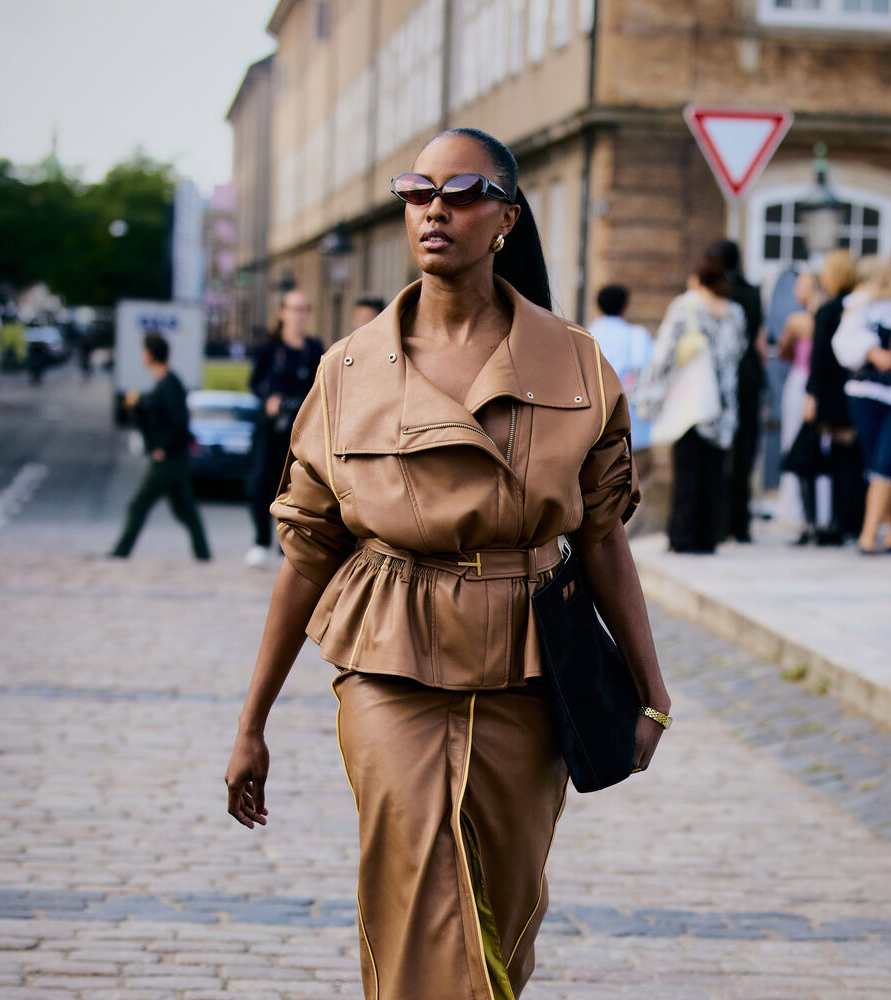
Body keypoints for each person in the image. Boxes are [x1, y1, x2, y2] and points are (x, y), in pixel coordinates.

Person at [224, 127, 670, 1000]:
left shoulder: (576, 363)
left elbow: (606, 536)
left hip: (531, 667)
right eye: (417, 190)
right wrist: (252, 723)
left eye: (463, 192)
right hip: (391, 662)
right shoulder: (348, 370)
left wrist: (651, 690)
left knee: (503, 907)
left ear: (505, 216)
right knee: (419, 891)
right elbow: (307, 552)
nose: (435, 208)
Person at [638, 246, 745, 553]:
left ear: (697, 277)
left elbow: (664, 356)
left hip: (691, 402)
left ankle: (683, 536)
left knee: (687, 472)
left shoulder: (686, 307)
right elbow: (737, 354)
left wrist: (650, 397)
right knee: (714, 472)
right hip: (722, 404)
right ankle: (708, 537)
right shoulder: (734, 312)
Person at [832, 248, 891, 554]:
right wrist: (872, 352)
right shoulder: (865, 302)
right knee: (876, 464)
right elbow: (843, 342)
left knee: (885, 462)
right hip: (866, 390)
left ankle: (868, 536)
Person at [110, 332, 210, 561]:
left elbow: (178, 422)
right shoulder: (164, 384)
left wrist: (162, 447)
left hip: (170, 459)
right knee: (185, 510)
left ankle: (120, 552)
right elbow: (154, 416)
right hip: (175, 458)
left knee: (138, 504)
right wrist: (137, 407)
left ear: (149, 354)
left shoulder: (170, 384)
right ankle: (203, 555)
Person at [244, 290, 323, 567]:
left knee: (296, 488)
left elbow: (319, 387)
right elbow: (254, 383)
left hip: (300, 432)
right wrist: (269, 400)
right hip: (270, 429)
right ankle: (260, 540)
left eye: (304, 309)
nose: (299, 315)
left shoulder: (314, 349)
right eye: (294, 309)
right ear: (283, 313)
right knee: (260, 483)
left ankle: (286, 544)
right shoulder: (270, 348)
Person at [803, 249, 863, 544]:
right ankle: (850, 520)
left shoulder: (828, 310)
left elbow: (818, 360)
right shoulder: (862, 306)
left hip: (832, 392)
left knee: (836, 459)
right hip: (856, 390)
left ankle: (838, 522)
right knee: (851, 458)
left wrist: (811, 395)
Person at [716, 240, 765, 543]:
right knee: (745, 452)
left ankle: (720, 522)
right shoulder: (752, 293)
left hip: (722, 377)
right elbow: (759, 340)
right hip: (748, 376)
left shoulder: (717, 293)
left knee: (721, 451)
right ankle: (740, 523)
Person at [777, 272, 821, 541]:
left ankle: (796, 509)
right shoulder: (828, 317)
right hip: (821, 385)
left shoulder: (797, 321)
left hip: (800, 382)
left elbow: (784, 352)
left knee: (795, 443)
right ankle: (820, 511)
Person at [588, 283, 654, 453]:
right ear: (626, 307)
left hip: (593, 422)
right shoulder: (638, 336)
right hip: (632, 424)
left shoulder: (585, 335)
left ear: (597, 307)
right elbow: (649, 373)